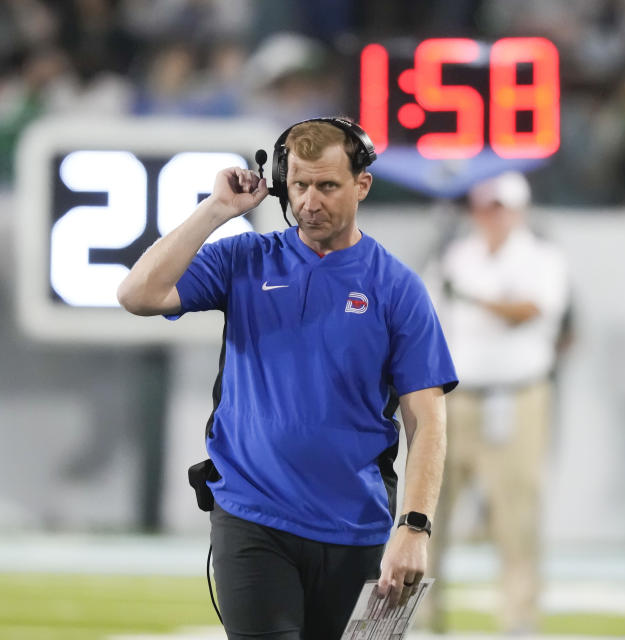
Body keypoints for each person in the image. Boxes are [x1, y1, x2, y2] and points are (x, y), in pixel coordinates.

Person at [117, 118, 458, 639]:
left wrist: (414, 527)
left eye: (327, 186)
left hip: (357, 527)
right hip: (253, 517)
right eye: (299, 185)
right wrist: (216, 211)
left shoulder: (397, 287)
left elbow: (427, 419)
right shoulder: (245, 258)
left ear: (361, 185)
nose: (309, 202)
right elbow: (137, 294)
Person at [425, 171, 569, 634]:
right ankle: (422, 615)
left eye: (497, 207)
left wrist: (470, 298)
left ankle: (519, 619)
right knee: (426, 514)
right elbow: (424, 320)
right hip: (455, 399)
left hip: (517, 398)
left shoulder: (540, 257)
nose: (487, 215)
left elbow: (529, 311)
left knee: (516, 517)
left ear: (516, 209)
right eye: (482, 206)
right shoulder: (455, 255)